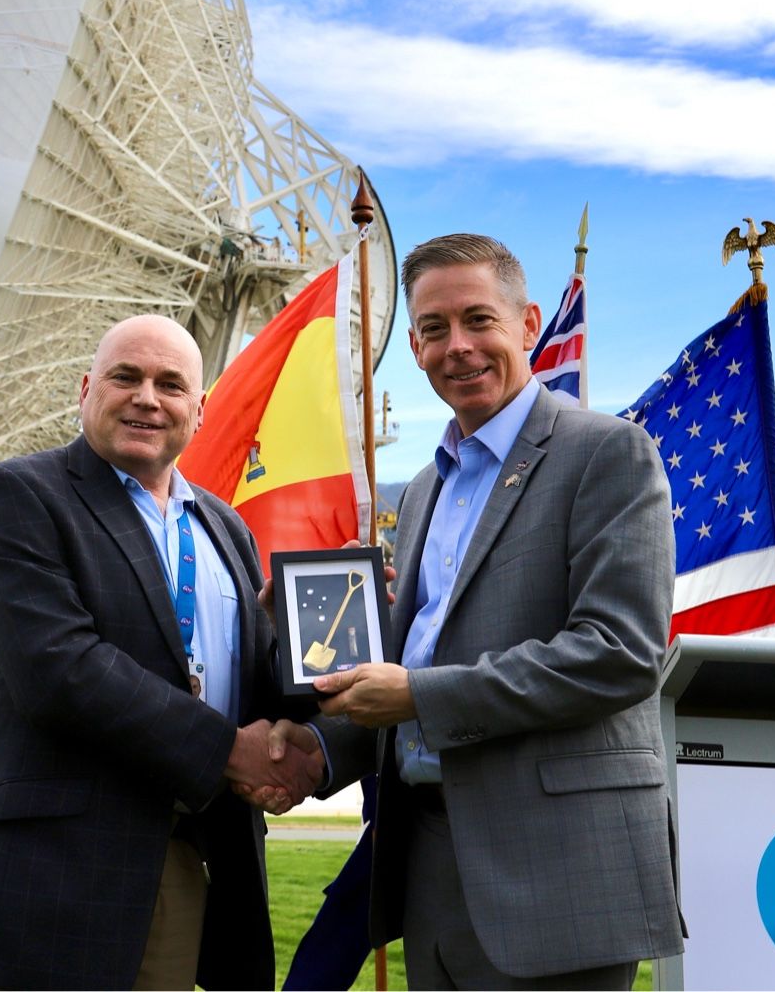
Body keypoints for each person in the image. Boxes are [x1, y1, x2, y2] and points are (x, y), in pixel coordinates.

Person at [290, 233, 683, 990]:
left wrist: (418, 697)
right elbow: (415, 660)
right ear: (412, 344)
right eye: (434, 330)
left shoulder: (608, 453)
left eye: (479, 320)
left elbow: (619, 653)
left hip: (556, 868)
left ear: (529, 324)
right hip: (432, 855)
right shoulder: (424, 489)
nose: (457, 347)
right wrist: (314, 743)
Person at [0, 314, 324, 990]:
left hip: (184, 863)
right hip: (52, 880)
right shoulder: (25, 495)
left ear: (198, 412)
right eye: (126, 377)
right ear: (88, 389)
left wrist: (344, 639)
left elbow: (245, 686)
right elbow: (60, 670)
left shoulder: (224, 526)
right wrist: (231, 751)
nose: (147, 397)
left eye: (171, 385)